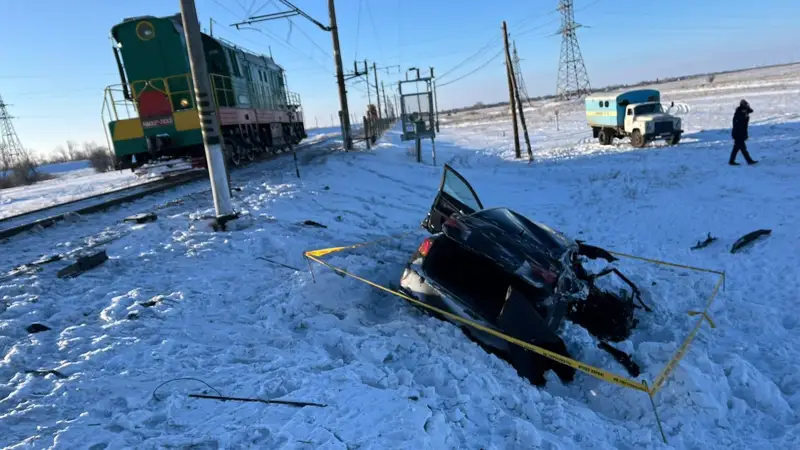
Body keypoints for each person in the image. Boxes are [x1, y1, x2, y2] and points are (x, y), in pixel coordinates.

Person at [730, 99, 757, 165]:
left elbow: (751, 111)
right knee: (742, 148)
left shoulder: (743, 111)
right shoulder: (739, 112)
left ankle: (732, 161)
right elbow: (740, 125)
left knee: (738, 148)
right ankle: (749, 161)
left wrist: (747, 108)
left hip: (740, 133)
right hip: (738, 134)